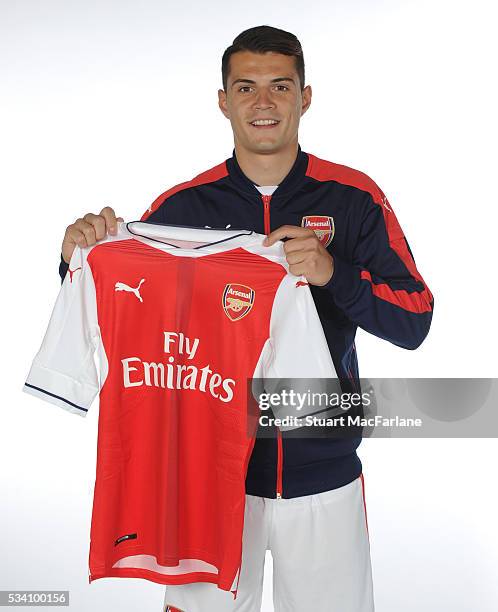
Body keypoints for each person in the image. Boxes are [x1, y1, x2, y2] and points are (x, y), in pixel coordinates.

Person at [58, 25, 434, 612]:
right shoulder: (183, 207)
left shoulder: (353, 197)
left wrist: (336, 275)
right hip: (203, 477)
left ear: (304, 98)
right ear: (223, 100)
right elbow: (128, 302)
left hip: (322, 470)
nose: (263, 103)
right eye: (246, 87)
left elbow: (416, 320)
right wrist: (78, 261)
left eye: (280, 86)